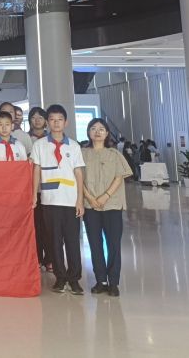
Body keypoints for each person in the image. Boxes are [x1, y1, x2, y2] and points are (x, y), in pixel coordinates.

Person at [31, 104, 86, 295]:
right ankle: (60, 278)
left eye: (59, 120)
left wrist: (80, 200)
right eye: (52, 120)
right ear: (47, 122)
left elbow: (78, 173)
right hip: (49, 200)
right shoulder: (39, 145)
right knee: (54, 242)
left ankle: (74, 278)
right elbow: (36, 170)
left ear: (66, 122)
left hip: (70, 200)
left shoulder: (74, 146)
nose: (56, 123)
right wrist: (34, 195)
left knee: (72, 241)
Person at [82, 118, 133, 297]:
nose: (97, 132)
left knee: (113, 244)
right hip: (90, 205)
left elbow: (119, 177)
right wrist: (89, 197)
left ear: (107, 133)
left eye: (101, 129)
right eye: (93, 128)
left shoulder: (114, 154)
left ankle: (113, 282)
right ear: (88, 132)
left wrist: (105, 196)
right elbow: (77, 177)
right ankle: (101, 281)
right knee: (95, 244)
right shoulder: (82, 153)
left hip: (112, 205)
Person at [26, 106, 51, 271]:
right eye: (34, 117)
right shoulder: (24, 139)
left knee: (49, 226)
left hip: (49, 189)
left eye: (40, 117)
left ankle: (49, 259)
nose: (37, 120)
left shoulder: (51, 139)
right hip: (31, 190)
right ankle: (36, 258)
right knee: (34, 226)